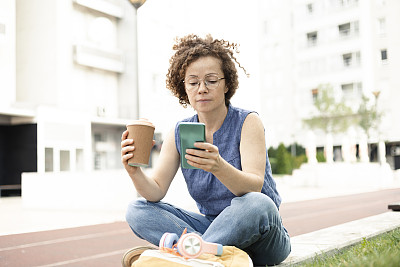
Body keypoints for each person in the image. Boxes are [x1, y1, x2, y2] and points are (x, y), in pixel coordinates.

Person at [121, 34, 291, 266]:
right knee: (137, 209)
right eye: (193, 82)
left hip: (262, 236)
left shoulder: (248, 122)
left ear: (227, 84)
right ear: (184, 88)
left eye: (211, 80)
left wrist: (218, 166)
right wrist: (135, 172)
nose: (202, 89)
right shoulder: (179, 132)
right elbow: (156, 191)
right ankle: (201, 256)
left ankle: (183, 256)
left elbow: (254, 186)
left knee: (256, 203)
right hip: (213, 229)